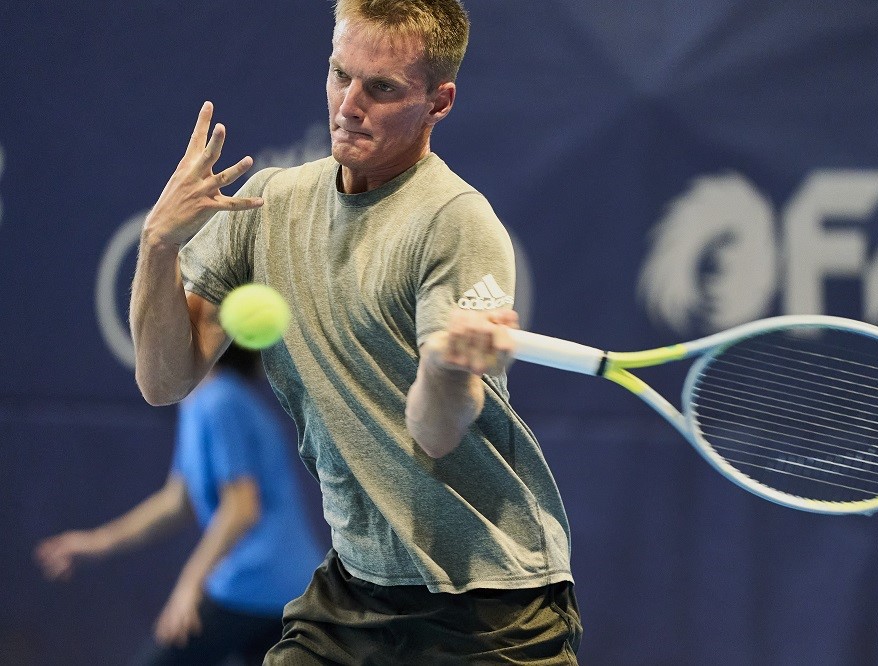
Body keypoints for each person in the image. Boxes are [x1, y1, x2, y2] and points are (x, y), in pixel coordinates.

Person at [129, 0, 582, 663]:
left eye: (382, 88)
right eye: (340, 74)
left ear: (439, 102)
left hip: (491, 603)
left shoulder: (455, 223)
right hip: (357, 590)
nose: (348, 105)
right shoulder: (269, 207)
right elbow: (163, 380)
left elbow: (436, 432)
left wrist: (446, 368)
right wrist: (157, 244)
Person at [35, 346, 325, 665]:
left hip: (257, 579)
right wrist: (96, 542)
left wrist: (189, 587)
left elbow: (241, 508)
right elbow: (177, 501)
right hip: (290, 586)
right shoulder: (203, 398)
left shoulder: (219, 399)